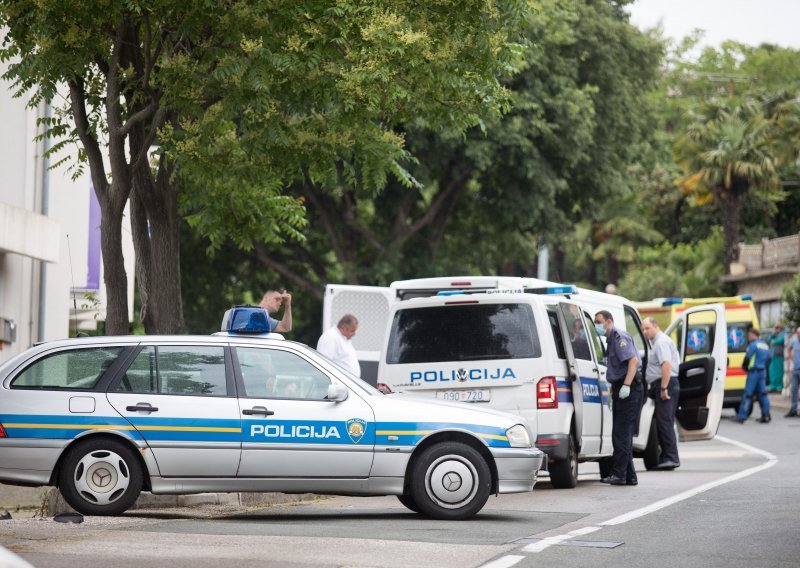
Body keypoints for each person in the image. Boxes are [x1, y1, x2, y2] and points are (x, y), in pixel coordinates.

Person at [595, 310, 642, 486]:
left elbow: (633, 361)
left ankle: (620, 474)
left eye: (599, 321)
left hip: (630, 387)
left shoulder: (619, 337)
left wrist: (627, 385)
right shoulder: (610, 340)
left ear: (609, 321)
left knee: (621, 434)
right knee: (622, 434)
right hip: (621, 387)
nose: (597, 325)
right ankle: (629, 475)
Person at [642, 317, 680, 470]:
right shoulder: (657, 342)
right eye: (643, 329)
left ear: (656, 326)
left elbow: (666, 365)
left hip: (666, 383)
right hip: (665, 383)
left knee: (664, 422)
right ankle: (667, 456)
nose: (645, 332)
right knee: (664, 422)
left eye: (647, 328)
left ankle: (671, 457)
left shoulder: (661, 342)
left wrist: (664, 388)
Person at [736, 328, 771, 423]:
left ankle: (742, 417)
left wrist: (744, 367)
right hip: (762, 371)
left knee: (748, 394)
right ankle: (766, 415)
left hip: (754, 372)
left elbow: (748, 357)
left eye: (749, 335)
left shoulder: (753, 345)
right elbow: (769, 358)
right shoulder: (765, 345)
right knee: (763, 394)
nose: (748, 337)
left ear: (753, 334)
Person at [785, 326, 800, 417]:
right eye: (798, 333)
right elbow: (788, 348)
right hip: (796, 369)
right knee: (794, 389)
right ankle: (793, 409)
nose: (798, 335)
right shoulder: (794, 341)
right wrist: (791, 357)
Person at [767, 322, 787, 392]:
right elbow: (769, 340)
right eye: (777, 326)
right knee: (772, 371)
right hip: (773, 355)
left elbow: (780, 340)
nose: (778, 327)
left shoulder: (785, 332)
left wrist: (774, 341)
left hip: (779, 355)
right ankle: (773, 385)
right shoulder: (775, 332)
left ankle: (779, 385)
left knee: (779, 371)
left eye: (779, 325)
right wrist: (773, 333)